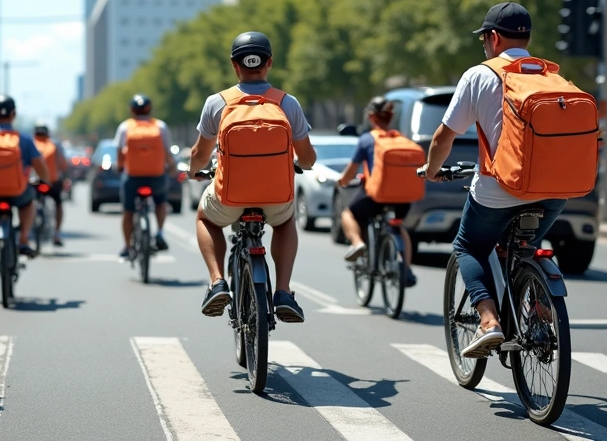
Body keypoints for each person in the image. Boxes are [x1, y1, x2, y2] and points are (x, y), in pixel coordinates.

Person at [421, 3, 567, 358]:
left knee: (468, 246)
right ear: (527, 37)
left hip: (499, 189)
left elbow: (444, 136)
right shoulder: (553, 76)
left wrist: (430, 169)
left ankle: (488, 321)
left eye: (484, 39)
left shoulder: (480, 75)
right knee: (529, 243)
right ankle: (539, 307)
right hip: (556, 191)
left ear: (493, 37)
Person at [189, 31, 317, 323]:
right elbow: (308, 158)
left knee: (204, 218)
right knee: (285, 222)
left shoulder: (217, 103)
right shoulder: (287, 103)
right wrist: (300, 163)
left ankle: (217, 282)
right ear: (269, 62)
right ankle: (283, 292)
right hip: (275, 199)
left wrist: (193, 170)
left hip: (230, 198)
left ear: (235, 66)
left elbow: (199, 153)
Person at [336, 96, 417, 287]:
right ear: (391, 117)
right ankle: (406, 268)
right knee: (397, 226)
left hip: (376, 196)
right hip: (403, 199)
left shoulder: (367, 139)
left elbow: (350, 172)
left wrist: (341, 181)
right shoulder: (402, 139)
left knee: (348, 213)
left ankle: (358, 243)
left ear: (372, 117)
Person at [0, 95, 51, 282]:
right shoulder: (23, 139)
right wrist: (44, 180)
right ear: (13, 114)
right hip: (17, 192)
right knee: (29, 202)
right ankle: (23, 239)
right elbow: (41, 167)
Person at [115, 95, 177, 256]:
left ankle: (127, 247)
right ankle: (160, 233)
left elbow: (119, 152)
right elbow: (167, 152)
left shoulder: (125, 127)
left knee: (128, 210)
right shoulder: (160, 126)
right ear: (150, 109)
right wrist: (172, 166)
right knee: (160, 202)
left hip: (133, 177)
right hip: (156, 176)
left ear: (132, 110)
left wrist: (121, 167)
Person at [33, 123, 69, 247]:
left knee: (28, 204)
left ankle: (24, 233)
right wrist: (64, 177)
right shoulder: (55, 144)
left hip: (35, 182)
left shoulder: (30, 144)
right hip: (52, 182)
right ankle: (57, 233)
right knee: (58, 204)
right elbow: (63, 163)